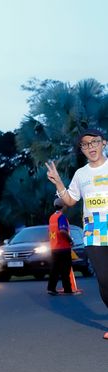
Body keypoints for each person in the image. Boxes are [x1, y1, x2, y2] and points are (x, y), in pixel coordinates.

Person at [46, 127, 108, 338]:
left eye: (95, 142)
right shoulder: (81, 174)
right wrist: (58, 182)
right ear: (82, 149)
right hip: (94, 233)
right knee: (104, 280)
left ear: (103, 143)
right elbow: (71, 200)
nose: (91, 147)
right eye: (85, 144)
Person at [47, 197, 73, 296]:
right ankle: (67, 289)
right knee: (65, 269)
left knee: (55, 269)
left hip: (54, 247)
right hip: (63, 247)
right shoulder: (61, 217)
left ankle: (51, 288)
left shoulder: (52, 217)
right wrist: (70, 240)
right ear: (63, 206)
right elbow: (62, 231)